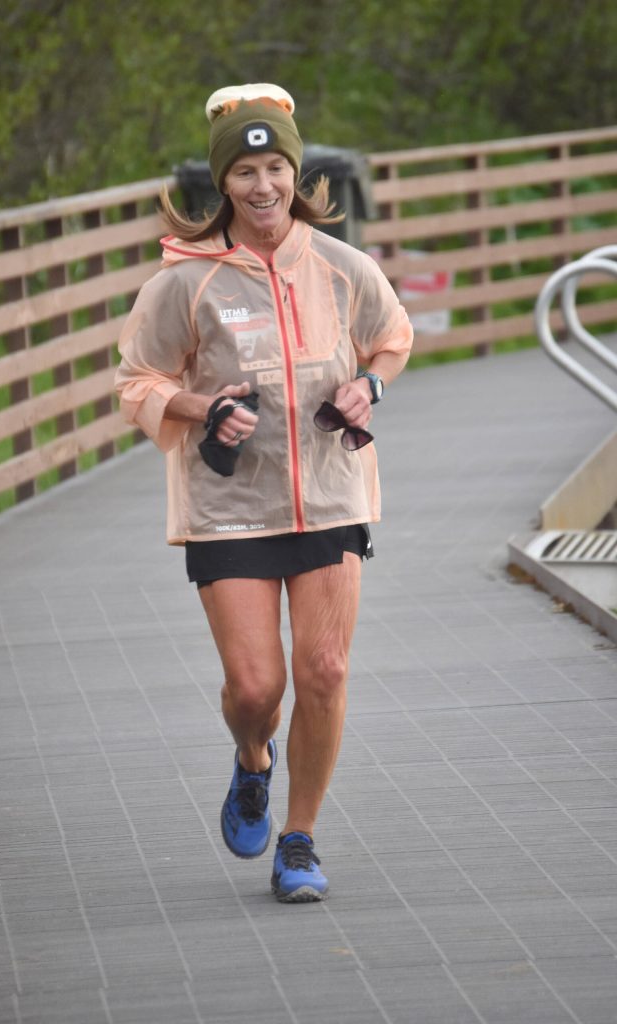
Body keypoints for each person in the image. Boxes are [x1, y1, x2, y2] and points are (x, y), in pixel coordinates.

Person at [115, 83, 413, 902]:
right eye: (245, 170)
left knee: (324, 669)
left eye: (276, 165)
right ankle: (253, 760)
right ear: (224, 184)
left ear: (296, 171)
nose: (263, 186)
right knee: (256, 691)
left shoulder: (345, 268)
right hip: (230, 507)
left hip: (328, 493)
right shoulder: (186, 283)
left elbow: (392, 342)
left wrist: (370, 389)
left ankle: (301, 838)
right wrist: (198, 406)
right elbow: (137, 378)